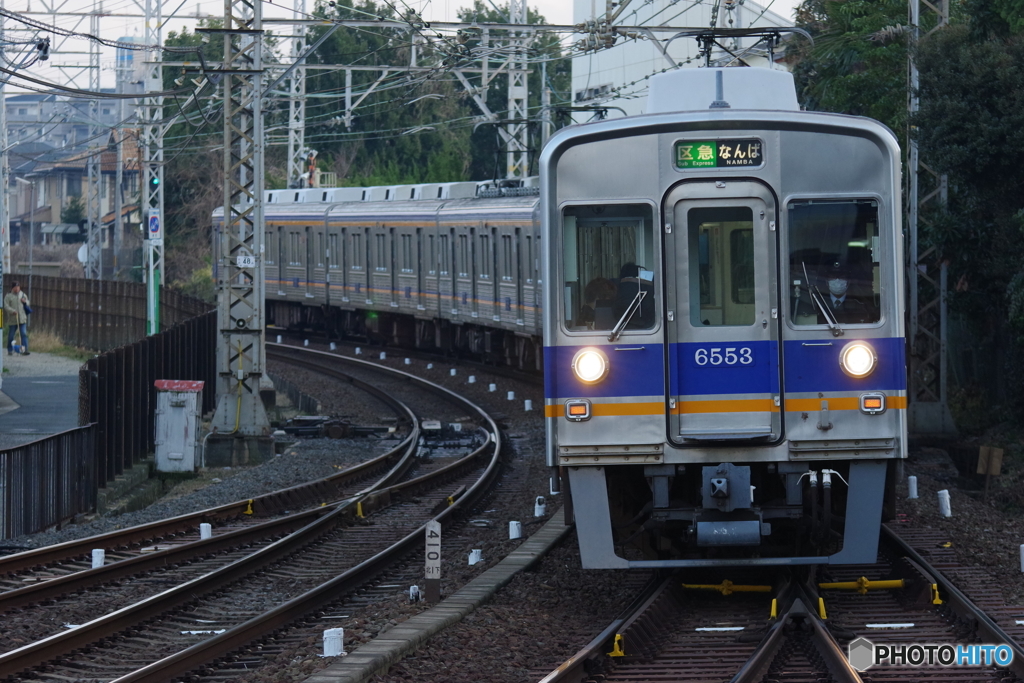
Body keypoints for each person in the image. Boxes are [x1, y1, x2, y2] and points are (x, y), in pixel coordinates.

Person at [612, 262, 655, 329]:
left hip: (617, 329)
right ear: (638, 274)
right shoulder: (647, 288)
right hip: (646, 329)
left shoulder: (615, 287)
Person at [4, 281, 30, 355]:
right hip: (13, 319)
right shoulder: (8, 296)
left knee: (23, 334)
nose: (17, 289)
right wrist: (12, 311)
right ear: (12, 288)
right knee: (11, 335)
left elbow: (28, 302)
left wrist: (25, 302)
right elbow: (6, 306)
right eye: (15, 287)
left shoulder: (22, 294)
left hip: (22, 318)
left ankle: (25, 350)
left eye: (18, 287)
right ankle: (10, 350)